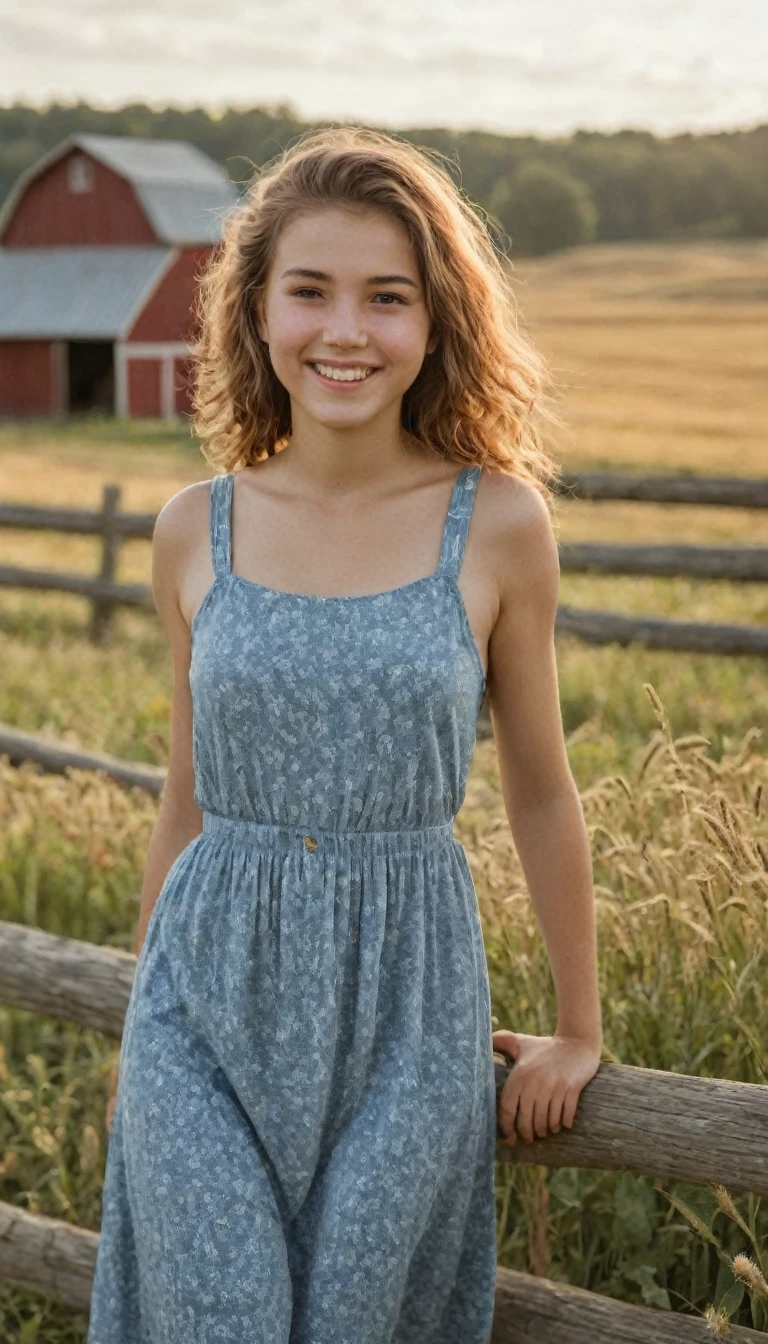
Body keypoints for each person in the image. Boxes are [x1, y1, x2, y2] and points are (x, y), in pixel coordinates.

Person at [88, 125, 602, 1344]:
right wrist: (135, 1033)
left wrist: (579, 1028)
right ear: (256, 311)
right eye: (309, 291)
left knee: (357, 1319)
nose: (346, 331)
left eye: (389, 298)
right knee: (221, 1318)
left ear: (435, 326)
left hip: (410, 1012)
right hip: (200, 1006)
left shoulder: (498, 526)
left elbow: (540, 790)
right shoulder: (192, 528)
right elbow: (187, 801)